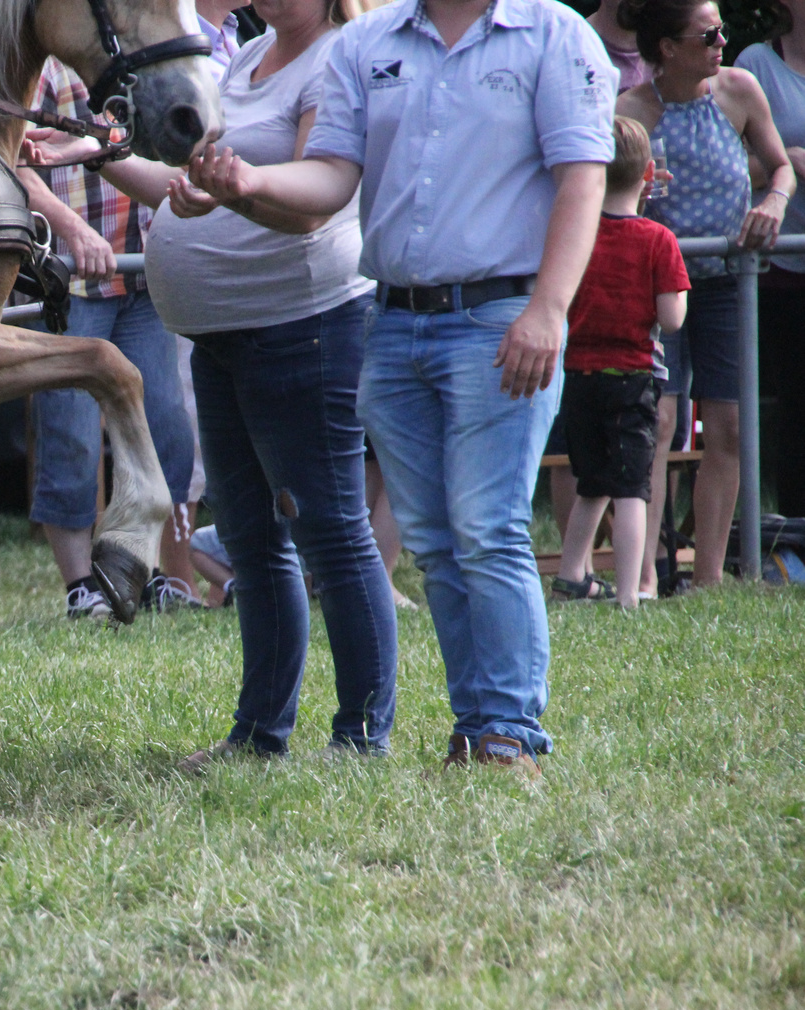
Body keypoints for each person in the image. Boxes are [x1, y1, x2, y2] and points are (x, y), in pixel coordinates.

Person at [189, 0, 619, 776]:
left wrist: (548, 309)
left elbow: (582, 179)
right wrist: (248, 181)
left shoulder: (554, 32)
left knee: (488, 527)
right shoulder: (366, 44)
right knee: (435, 544)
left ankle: (510, 733)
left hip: (501, 315)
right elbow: (328, 181)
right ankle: (476, 726)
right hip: (392, 324)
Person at [93, 0, 398, 763]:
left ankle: (362, 738)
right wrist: (93, 153)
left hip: (306, 329)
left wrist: (241, 182)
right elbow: (179, 182)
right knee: (255, 546)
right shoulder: (242, 59)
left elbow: (312, 195)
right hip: (222, 338)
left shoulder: (339, 58)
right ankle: (260, 735)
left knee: (329, 534)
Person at [616, 0, 795, 589]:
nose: (722, 43)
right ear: (666, 48)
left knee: (729, 425)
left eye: (722, 31)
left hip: (726, 282)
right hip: (657, 285)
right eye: (707, 35)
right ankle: (645, 573)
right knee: (659, 422)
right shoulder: (633, 110)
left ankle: (709, 577)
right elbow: (610, 198)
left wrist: (772, 202)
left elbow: (780, 168)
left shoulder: (739, 90)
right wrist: (638, 199)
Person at [18, 59, 196, 619]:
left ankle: (148, 572)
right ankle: (80, 587)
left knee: (166, 427)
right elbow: (10, 161)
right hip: (71, 281)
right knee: (69, 436)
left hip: (142, 274)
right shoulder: (41, 64)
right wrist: (71, 229)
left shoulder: (137, 55)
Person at [553, 117, 690, 610]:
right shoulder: (658, 239)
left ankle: (572, 573)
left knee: (591, 478)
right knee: (632, 487)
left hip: (577, 376)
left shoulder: (575, 235)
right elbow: (671, 318)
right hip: (631, 378)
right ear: (650, 173)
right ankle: (632, 593)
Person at [737, 0, 805, 519]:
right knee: (794, 404)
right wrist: (787, 165)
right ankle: (795, 531)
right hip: (782, 266)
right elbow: (725, 169)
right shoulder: (755, 65)